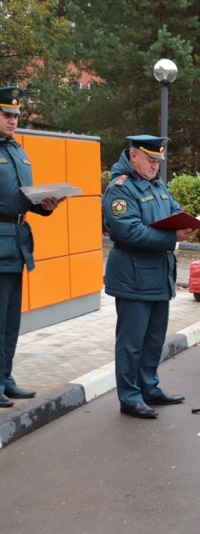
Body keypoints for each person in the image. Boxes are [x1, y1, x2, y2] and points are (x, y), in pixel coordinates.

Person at [102, 134, 197, 419]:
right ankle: (130, 397)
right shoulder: (120, 189)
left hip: (158, 275)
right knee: (131, 342)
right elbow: (127, 231)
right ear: (134, 157)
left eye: (158, 161)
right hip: (133, 276)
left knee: (154, 339)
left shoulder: (157, 185)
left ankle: (149, 387)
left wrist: (189, 222)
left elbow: (175, 211)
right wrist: (171, 236)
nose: (156, 165)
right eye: (151, 159)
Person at [0, 86, 63, 409]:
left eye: (15, 116)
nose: (13, 120)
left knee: (11, 320)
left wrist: (46, 205)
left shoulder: (16, 150)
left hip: (17, 241)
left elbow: (22, 196)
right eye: (7, 115)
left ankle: (5, 378)